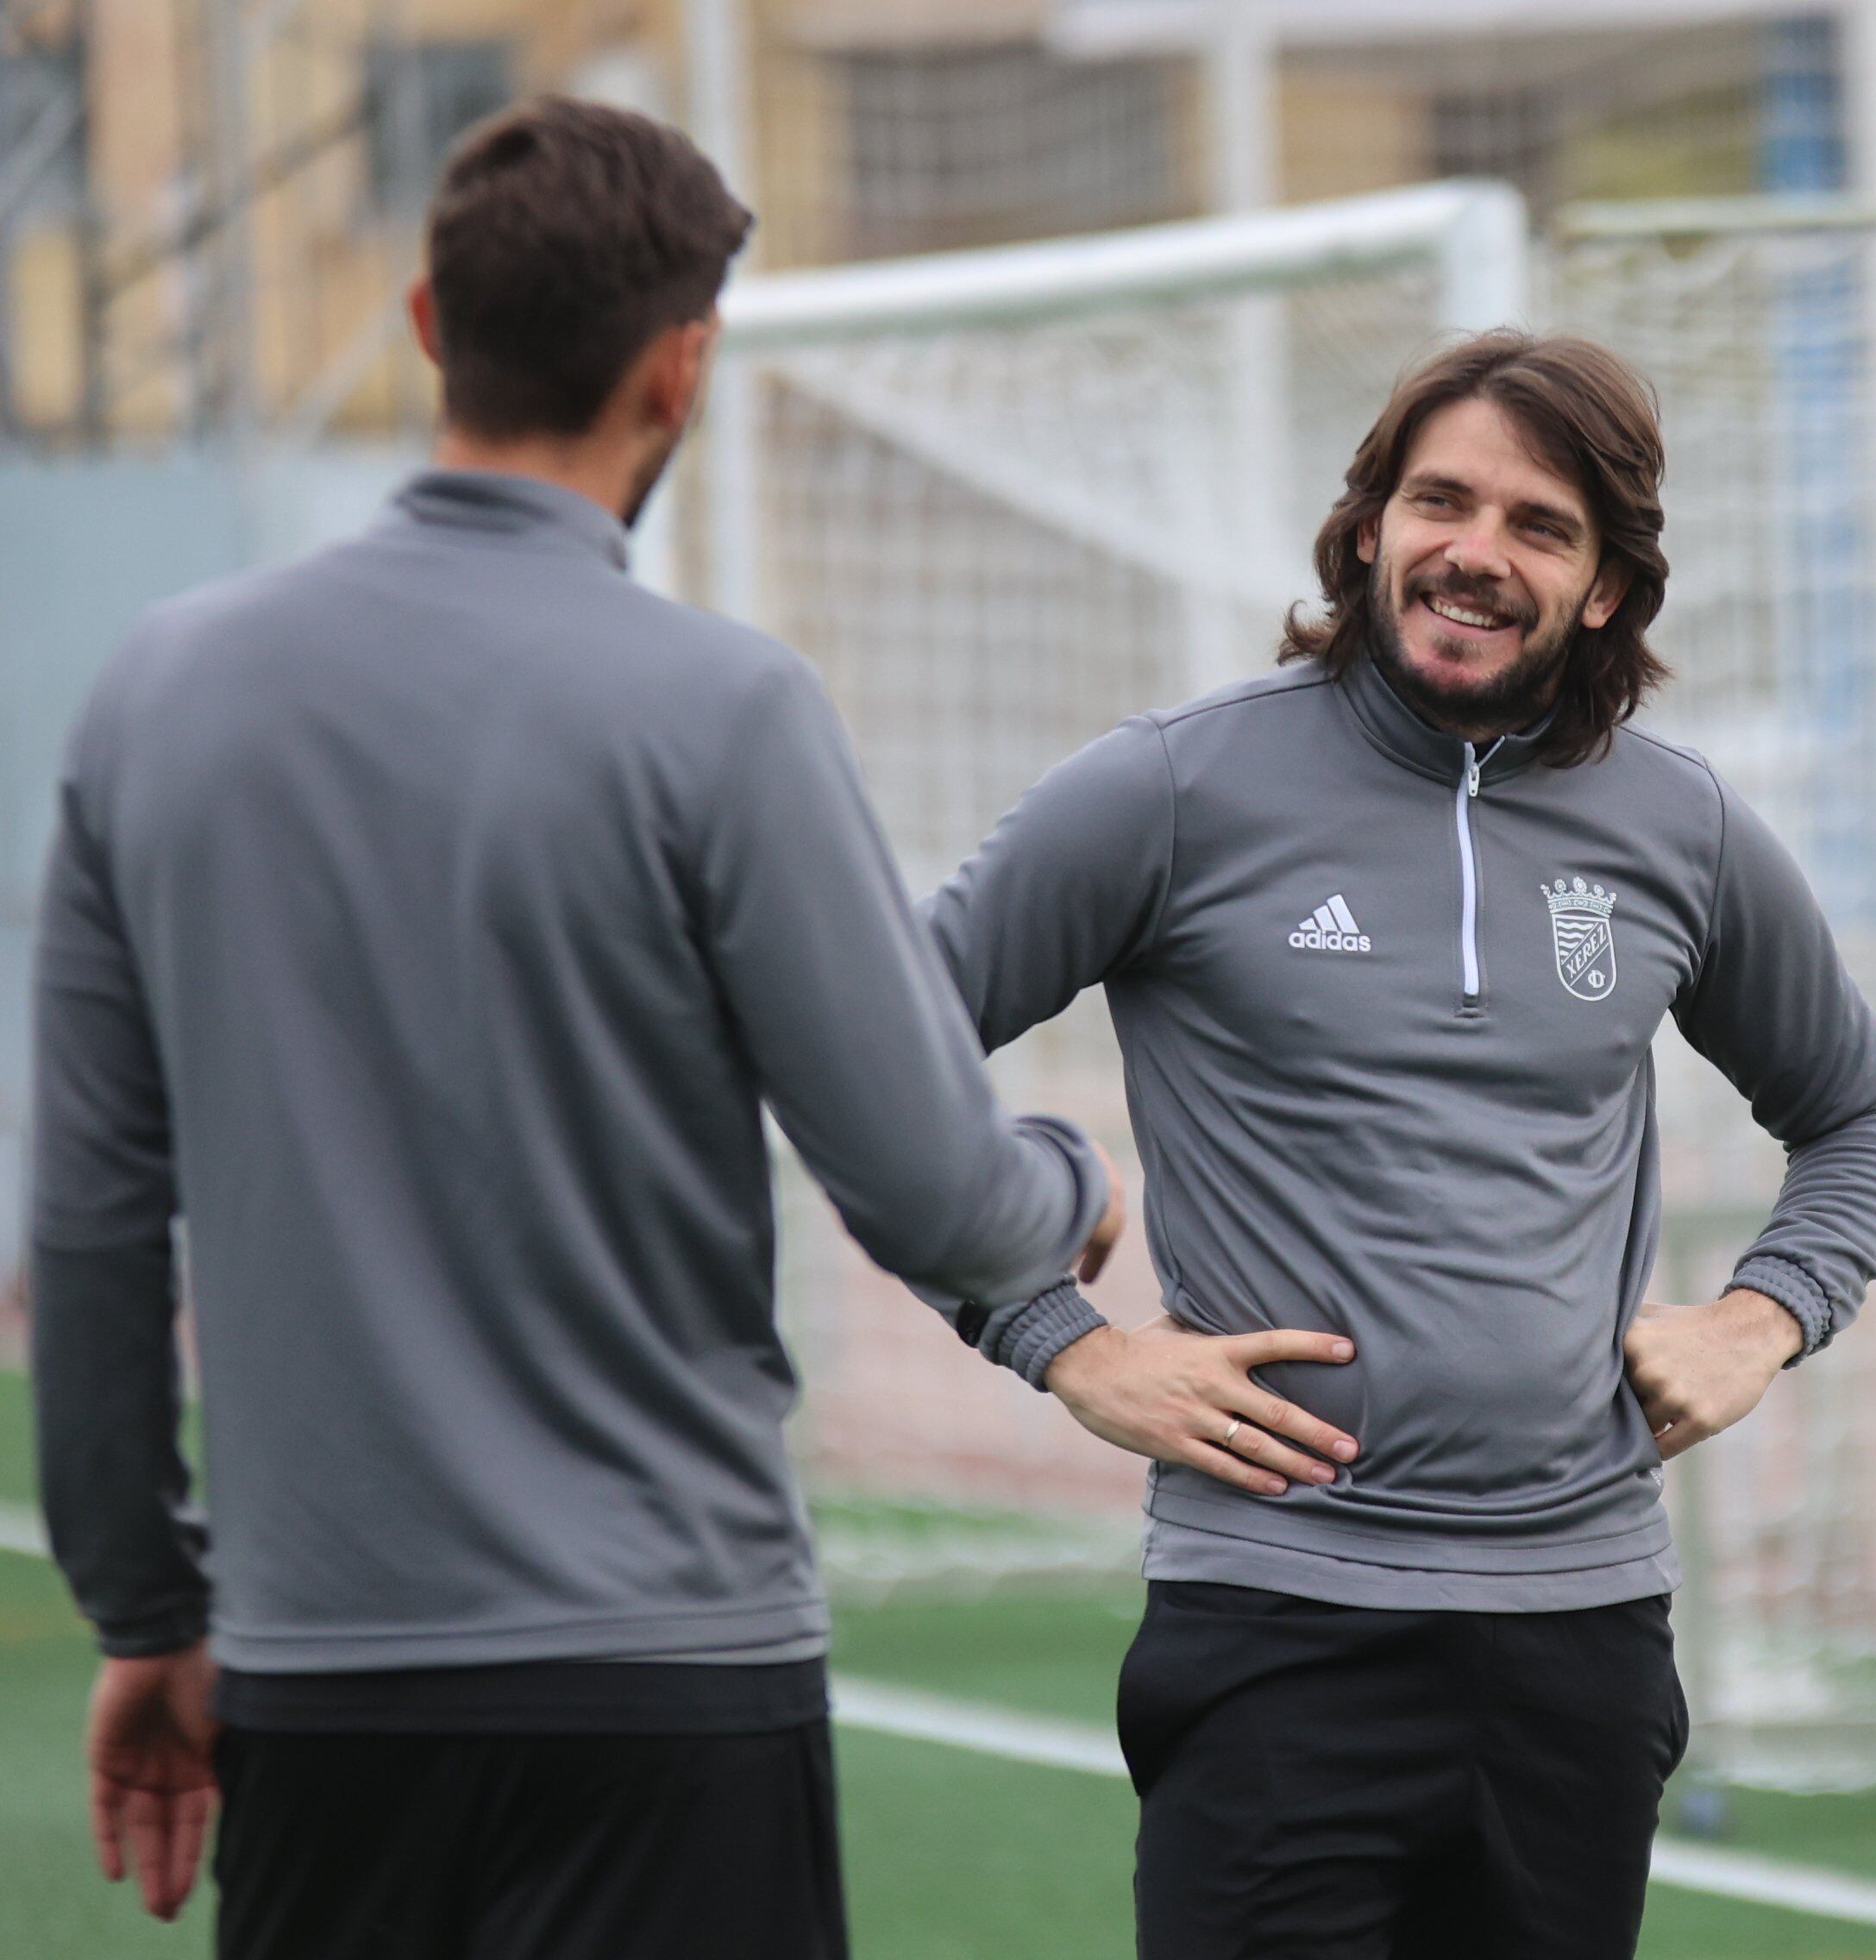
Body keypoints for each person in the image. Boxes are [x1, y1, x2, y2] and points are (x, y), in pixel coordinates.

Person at [27, 97, 1120, 1958]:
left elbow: (91, 1229)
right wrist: (1066, 1187)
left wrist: (145, 1605)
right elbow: (938, 1196)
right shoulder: (725, 707)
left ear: (427, 323)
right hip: (664, 1681)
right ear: (680, 367)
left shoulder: (157, 695)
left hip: (316, 1685)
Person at [923, 331, 1876, 1957]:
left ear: (1606, 585)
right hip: (1276, 1628)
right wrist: (1057, 1340)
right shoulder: (1173, 787)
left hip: (1583, 1640)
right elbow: (869, 1058)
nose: (1477, 551)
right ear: (1372, 526)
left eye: (1541, 524)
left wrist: (1764, 1318)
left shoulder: (1684, 826)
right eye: (1440, 501)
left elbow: (1867, 1114)